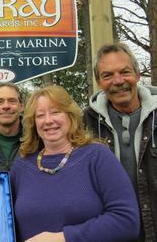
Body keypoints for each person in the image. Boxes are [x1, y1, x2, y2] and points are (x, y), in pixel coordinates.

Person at [10, 85, 139, 242]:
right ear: (33, 123)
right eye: (40, 115)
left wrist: (64, 237)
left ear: (70, 116)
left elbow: (126, 221)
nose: (48, 120)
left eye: (56, 112)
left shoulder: (97, 157)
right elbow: (5, 225)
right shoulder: (21, 168)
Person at [83, 43, 157, 241]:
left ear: (138, 75)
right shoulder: (83, 125)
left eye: (125, 72)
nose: (118, 81)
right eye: (107, 75)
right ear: (98, 81)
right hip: (110, 234)